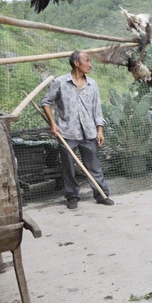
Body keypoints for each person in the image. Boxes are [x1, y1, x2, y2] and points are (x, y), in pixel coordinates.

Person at [41, 50, 115, 209]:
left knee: (94, 166)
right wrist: (53, 124)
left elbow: (97, 109)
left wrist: (99, 130)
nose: (90, 64)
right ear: (76, 63)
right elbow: (46, 102)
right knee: (68, 168)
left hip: (89, 132)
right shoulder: (60, 82)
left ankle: (101, 194)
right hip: (67, 133)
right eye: (87, 61)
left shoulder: (92, 84)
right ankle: (72, 196)